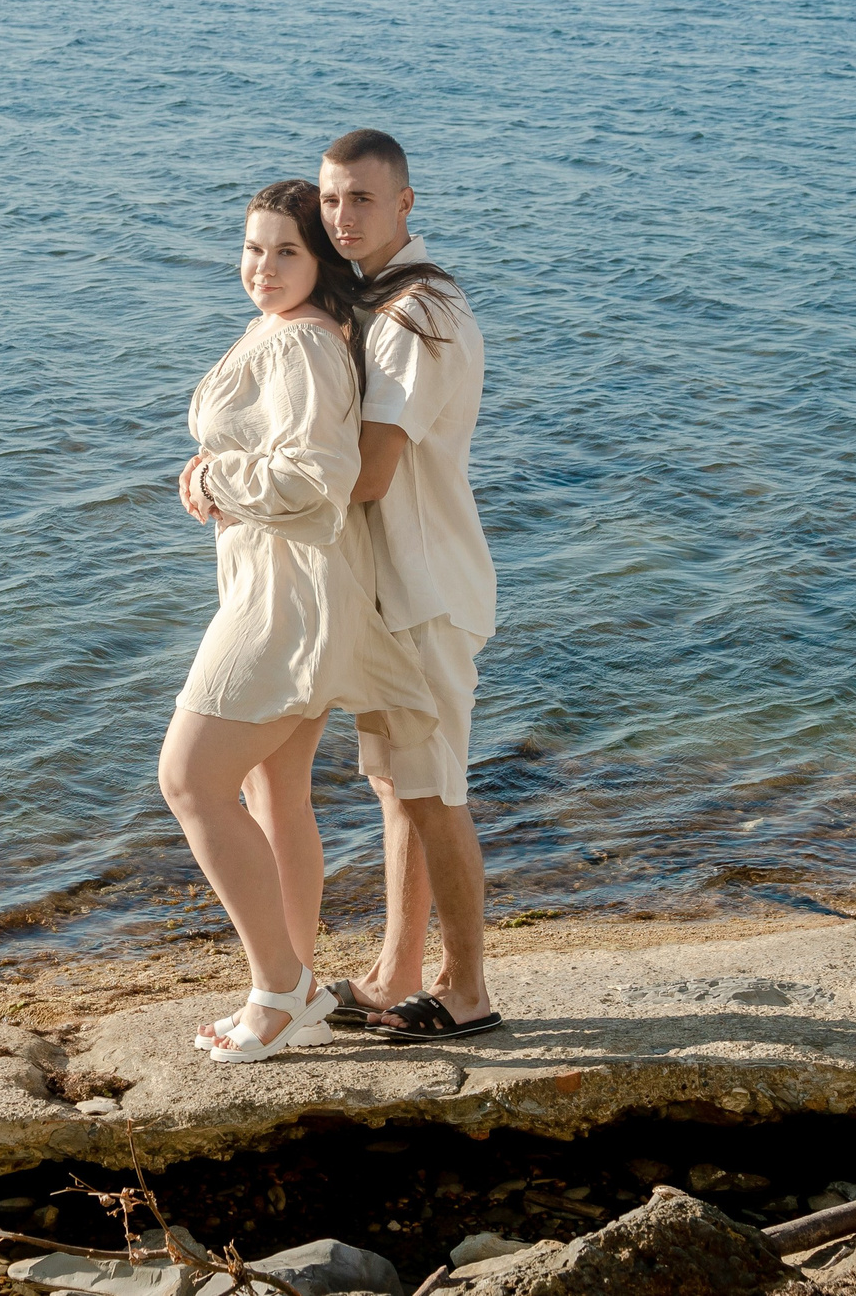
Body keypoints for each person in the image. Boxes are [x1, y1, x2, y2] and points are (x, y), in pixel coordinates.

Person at [163, 178, 437, 1063]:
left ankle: (282, 988)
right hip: (275, 582)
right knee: (272, 791)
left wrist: (215, 480)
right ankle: (288, 987)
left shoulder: (305, 346)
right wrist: (222, 471)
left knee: (190, 779)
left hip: (291, 597)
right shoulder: (277, 329)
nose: (263, 267)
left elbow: (319, 474)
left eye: (286, 250)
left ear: (320, 260)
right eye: (252, 248)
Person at [318, 129, 503, 1043]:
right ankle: (396, 970)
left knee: (437, 792)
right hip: (389, 590)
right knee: (397, 787)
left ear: (405, 204)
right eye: (329, 200)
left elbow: (371, 471)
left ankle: (466, 989)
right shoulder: (375, 301)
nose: (341, 216)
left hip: (426, 589)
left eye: (360, 198)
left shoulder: (415, 317)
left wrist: (245, 485)